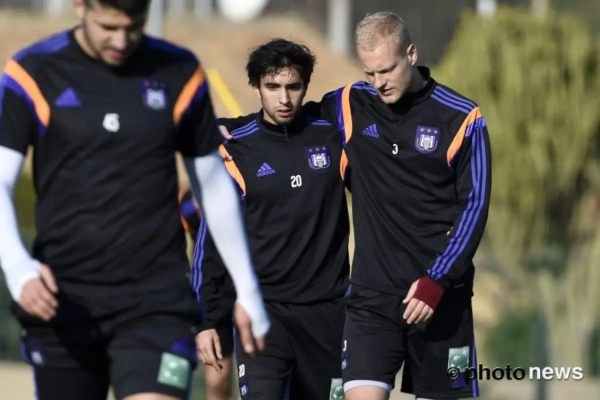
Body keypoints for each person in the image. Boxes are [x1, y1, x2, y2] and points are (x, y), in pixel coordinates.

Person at [0, 1, 270, 399]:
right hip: (64, 298)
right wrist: (18, 267)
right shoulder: (33, 73)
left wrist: (247, 289)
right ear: (80, 6)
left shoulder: (178, 72)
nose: (121, 40)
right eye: (108, 27)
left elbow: (213, 184)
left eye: (134, 27)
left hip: (156, 301)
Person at [313, 11, 492, 400]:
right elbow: (288, 124)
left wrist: (437, 280)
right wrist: (229, 130)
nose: (378, 83)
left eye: (386, 70)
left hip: (443, 300)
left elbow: (475, 206)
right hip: (371, 299)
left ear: (411, 54)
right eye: (369, 73)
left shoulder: (463, 118)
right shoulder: (349, 104)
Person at [194, 38, 350, 399]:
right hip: (262, 314)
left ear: (306, 86)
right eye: (272, 86)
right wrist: (205, 319)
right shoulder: (234, 147)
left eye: (293, 87)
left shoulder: (333, 135)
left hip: (329, 314)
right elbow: (211, 239)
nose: (284, 98)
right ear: (256, 87)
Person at [178, 188, 236, 400]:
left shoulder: (239, 179)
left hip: (253, 285)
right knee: (217, 380)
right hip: (215, 291)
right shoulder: (186, 201)